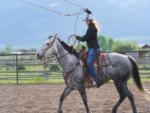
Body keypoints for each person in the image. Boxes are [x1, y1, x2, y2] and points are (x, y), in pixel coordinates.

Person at [76, 16, 101, 86]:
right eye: (85, 21)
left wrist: (79, 38)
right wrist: (80, 37)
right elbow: (86, 37)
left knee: (89, 64)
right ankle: (87, 79)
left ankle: (96, 80)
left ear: (90, 21)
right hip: (91, 48)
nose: (86, 22)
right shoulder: (91, 28)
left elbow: (85, 38)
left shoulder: (91, 29)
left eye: (86, 21)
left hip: (94, 48)